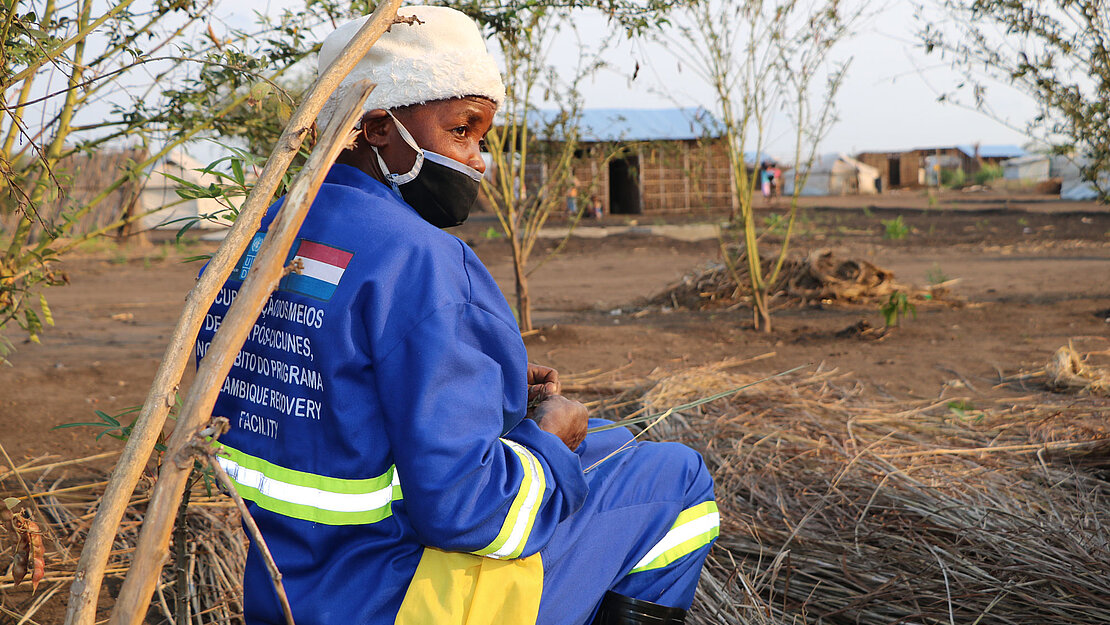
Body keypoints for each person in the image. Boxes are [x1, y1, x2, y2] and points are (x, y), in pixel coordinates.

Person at [196, 7, 717, 625]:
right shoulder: (420, 260)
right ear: (378, 127)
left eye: (482, 139)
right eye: (463, 130)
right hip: (398, 597)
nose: (477, 160)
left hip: (290, 586)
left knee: (615, 442)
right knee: (678, 480)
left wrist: (485, 393)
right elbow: (470, 514)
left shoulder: (257, 237)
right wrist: (547, 441)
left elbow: (335, 393)